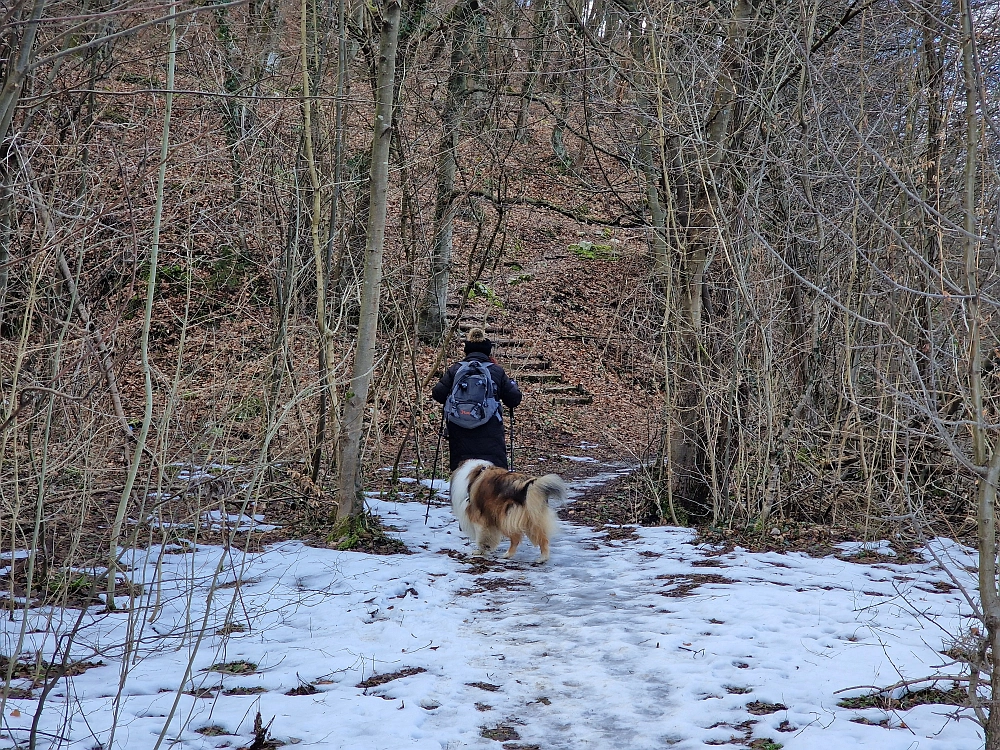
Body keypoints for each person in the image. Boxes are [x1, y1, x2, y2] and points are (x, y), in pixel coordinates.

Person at [432, 327, 522, 470]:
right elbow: (513, 399)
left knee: (463, 475)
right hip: (490, 435)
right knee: (493, 479)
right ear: (488, 350)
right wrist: (512, 385)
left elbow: (438, 394)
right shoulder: (496, 371)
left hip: (459, 433)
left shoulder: (456, 370)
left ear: (466, 350)